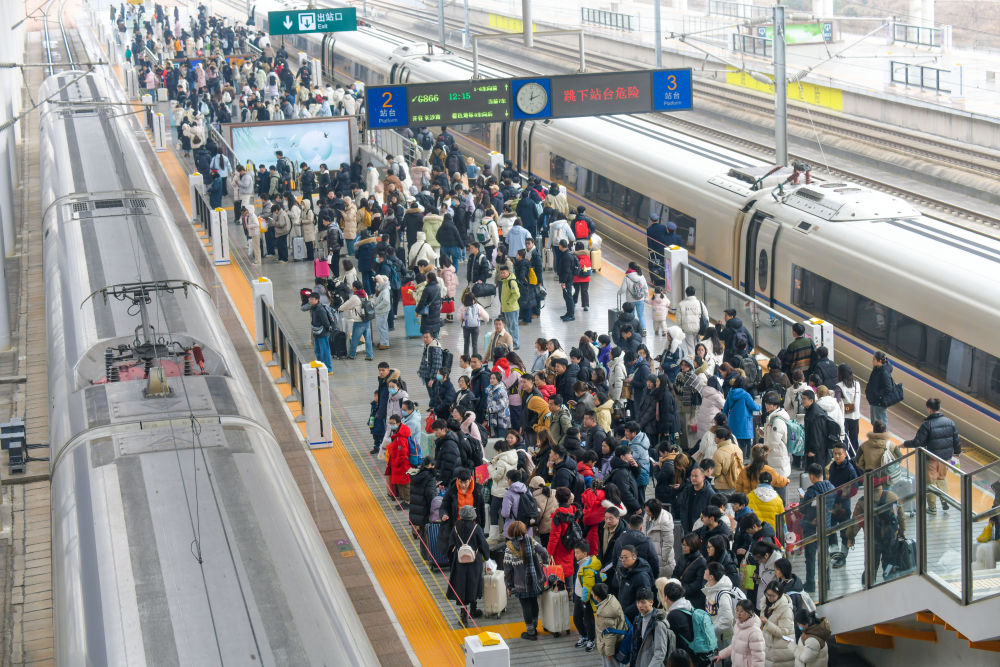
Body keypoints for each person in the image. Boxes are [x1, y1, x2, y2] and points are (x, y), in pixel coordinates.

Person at [902, 397, 960, 514]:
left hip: (931, 459)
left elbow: (918, 442)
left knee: (929, 483)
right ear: (939, 408)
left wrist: (905, 444)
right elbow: (956, 440)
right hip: (945, 459)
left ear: (929, 409)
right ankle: (945, 500)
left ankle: (932, 508)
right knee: (942, 479)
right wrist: (957, 453)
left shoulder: (927, 424)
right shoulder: (950, 422)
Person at [504, 520, 549, 640]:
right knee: (534, 602)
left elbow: (508, 570)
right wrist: (545, 563)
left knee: (525, 606)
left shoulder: (509, 548)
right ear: (524, 530)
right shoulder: (531, 541)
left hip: (520, 584)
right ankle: (534, 626)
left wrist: (509, 585)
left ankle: (531, 632)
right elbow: (544, 552)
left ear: (511, 532)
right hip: (535, 580)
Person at [447, 504, 489, 625]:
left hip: (459, 562)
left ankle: (463, 616)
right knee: (473, 584)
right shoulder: (476, 528)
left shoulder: (456, 528)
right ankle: (473, 610)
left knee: (461, 587)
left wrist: (452, 559)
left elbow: (450, 545)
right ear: (473, 516)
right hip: (474, 562)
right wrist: (486, 557)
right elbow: (483, 545)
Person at [800, 464, 834, 593]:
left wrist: (802, 499)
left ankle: (810, 583)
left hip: (811, 528)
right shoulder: (831, 487)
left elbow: (803, 509)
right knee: (825, 556)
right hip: (826, 526)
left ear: (812, 476)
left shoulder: (811, 492)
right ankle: (826, 582)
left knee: (810, 557)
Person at [630, 588, 675, 667]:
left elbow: (660, 653)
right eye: (638, 602)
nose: (639, 605)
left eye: (643, 602)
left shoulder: (658, 623)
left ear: (651, 602)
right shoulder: (638, 619)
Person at [715, 599, 766, 667]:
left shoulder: (754, 632)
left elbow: (758, 658)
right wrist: (721, 655)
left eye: (742, 611)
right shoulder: (737, 625)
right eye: (737, 610)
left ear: (750, 612)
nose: (738, 614)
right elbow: (734, 646)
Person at [573, 540, 603, 651]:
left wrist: (584, 600)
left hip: (586, 598)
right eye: (575, 552)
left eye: (577, 553)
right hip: (579, 596)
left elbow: (588, 586)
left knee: (588, 619)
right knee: (576, 618)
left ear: (585, 554)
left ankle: (591, 639)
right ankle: (584, 636)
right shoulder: (582, 564)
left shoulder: (587, 567)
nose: (575, 555)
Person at [723, 377, 762, 458]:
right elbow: (754, 407)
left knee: (734, 444)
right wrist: (760, 406)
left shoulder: (730, 394)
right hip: (744, 425)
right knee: (743, 446)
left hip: (732, 423)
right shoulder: (745, 395)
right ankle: (742, 460)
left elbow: (725, 410)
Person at [759, 580, 795, 667]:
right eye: (767, 594)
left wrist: (767, 623)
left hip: (781, 652)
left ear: (779, 595)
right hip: (770, 648)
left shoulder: (786, 609)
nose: (769, 597)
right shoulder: (765, 603)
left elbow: (783, 633)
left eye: (772, 596)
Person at [702, 562, 736, 650]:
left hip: (723, 638)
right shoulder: (711, 588)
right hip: (714, 635)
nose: (704, 571)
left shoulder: (723, 595)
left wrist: (710, 630)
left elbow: (727, 620)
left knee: (723, 657)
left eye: (706, 570)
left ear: (711, 577)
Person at [616, 544, 655, 622]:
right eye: (621, 557)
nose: (623, 560)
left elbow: (644, 599)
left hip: (635, 619)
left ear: (634, 557)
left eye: (626, 557)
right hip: (625, 616)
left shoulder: (641, 576)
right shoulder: (625, 572)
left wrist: (626, 612)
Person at [593, 583, 628, 667]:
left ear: (596, 597)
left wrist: (609, 653)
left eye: (593, 594)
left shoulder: (605, 613)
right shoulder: (610, 600)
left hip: (609, 647)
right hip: (617, 642)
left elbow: (610, 634)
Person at [338, 281, 374, 360]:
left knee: (355, 338)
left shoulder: (355, 297)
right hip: (366, 319)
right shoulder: (365, 294)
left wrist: (340, 308)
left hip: (359, 321)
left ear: (354, 288)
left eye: (352, 286)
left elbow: (347, 304)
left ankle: (352, 354)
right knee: (368, 339)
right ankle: (369, 355)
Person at [671, 533, 707, 610]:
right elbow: (675, 573)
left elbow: (698, 584)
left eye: (686, 545)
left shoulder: (701, 562)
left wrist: (681, 589)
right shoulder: (682, 557)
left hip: (694, 601)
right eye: (683, 545)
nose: (684, 547)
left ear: (693, 545)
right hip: (680, 597)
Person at [643, 499, 676, 578]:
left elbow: (668, 542)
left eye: (648, 511)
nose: (647, 513)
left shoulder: (665, 520)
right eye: (646, 511)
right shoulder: (647, 516)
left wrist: (664, 559)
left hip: (661, 558)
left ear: (654, 511)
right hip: (651, 553)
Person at [301, 291, 334, 370]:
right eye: (310, 299)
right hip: (316, 333)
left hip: (323, 333)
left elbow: (326, 322)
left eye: (312, 299)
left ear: (317, 300)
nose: (310, 301)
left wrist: (327, 330)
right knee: (317, 351)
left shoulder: (320, 309)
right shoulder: (313, 308)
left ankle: (329, 369)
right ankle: (321, 367)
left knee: (325, 352)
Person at [385, 415, 412, 507]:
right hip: (399, 463)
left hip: (402, 464)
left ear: (399, 423)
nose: (391, 425)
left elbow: (403, 453)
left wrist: (396, 462)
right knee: (402, 482)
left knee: (405, 483)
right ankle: (405, 500)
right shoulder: (398, 433)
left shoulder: (401, 437)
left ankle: (408, 501)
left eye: (393, 423)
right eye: (390, 423)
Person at [800, 390, 831, 471]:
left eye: (804, 399)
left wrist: (813, 450)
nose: (802, 401)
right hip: (819, 449)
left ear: (811, 400)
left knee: (816, 472)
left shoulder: (814, 414)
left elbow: (817, 434)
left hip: (816, 452)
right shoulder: (812, 410)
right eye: (802, 398)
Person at [864, 351, 895, 427]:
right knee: (874, 422)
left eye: (874, 359)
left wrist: (877, 395)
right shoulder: (876, 369)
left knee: (881, 423)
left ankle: (884, 435)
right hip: (874, 401)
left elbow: (888, 388)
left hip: (879, 402)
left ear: (880, 361)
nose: (872, 361)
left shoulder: (884, 372)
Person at [619, 262, 649, 335]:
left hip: (630, 300)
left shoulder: (627, 277)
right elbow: (645, 287)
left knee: (631, 316)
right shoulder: (641, 276)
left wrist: (619, 292)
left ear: (629, 267)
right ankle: (643, 330)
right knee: (641, 315)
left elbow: (623, 289)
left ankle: (631, 331)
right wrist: (646, 296)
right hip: (640, 299)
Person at [497, 265, 521, 350]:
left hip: (512, 309)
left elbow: (517, 294)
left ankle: (515, 344)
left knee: (513, 327)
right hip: (506, 308)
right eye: (501, 273)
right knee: (510, 327)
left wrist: (508, 303)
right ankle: (511, 343)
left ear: (508, 272)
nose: (502, 274)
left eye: (504, 273)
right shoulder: (504, 281)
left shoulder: (511, 282)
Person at [646, 212, 669, 286]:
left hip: (654, 252)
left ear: (651, 220)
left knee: (652, 266)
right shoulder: (663, 227)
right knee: (663, 266)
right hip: (662, 251)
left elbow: (649, 241)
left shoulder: (649, 229)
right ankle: (664, 281)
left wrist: (650, 250)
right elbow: (666, 238)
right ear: (658, 220)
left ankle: (654, 281)